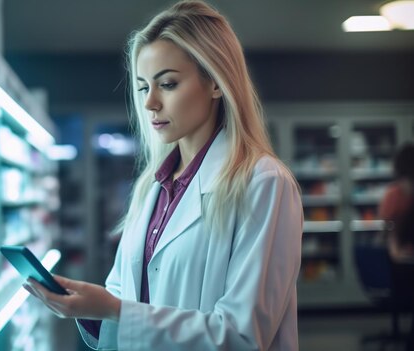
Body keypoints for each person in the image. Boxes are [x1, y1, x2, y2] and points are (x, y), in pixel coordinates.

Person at [23, 1, 303, 350]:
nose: (150, 102)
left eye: (167, 84)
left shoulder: (263, 183)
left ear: (216, 83)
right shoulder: (152, 188)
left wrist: (116, 311)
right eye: (143, 87)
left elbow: (242, 336)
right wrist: (92, 308)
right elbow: (127, 294)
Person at [379, 143, 414, 263]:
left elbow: (386, 228)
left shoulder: (392, 194)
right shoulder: (393, 195)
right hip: (400, 256)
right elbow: (388, 229)